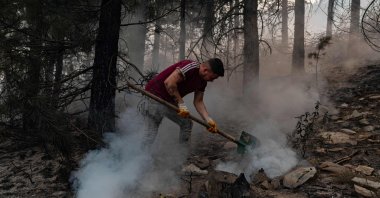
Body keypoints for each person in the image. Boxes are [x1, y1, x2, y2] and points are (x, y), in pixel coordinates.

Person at [142, 58, 224, 149]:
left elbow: (198, 101)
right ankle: (140, 158)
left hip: (169, 100)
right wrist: (181, 104)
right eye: (212, 77)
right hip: (154, 95)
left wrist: (208, 120)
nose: (212, 80)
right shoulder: (191, 67)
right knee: (151, 132)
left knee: (186, 123)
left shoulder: (202, 82)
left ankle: (182, 156)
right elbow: (169, 82)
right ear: (205, 70)